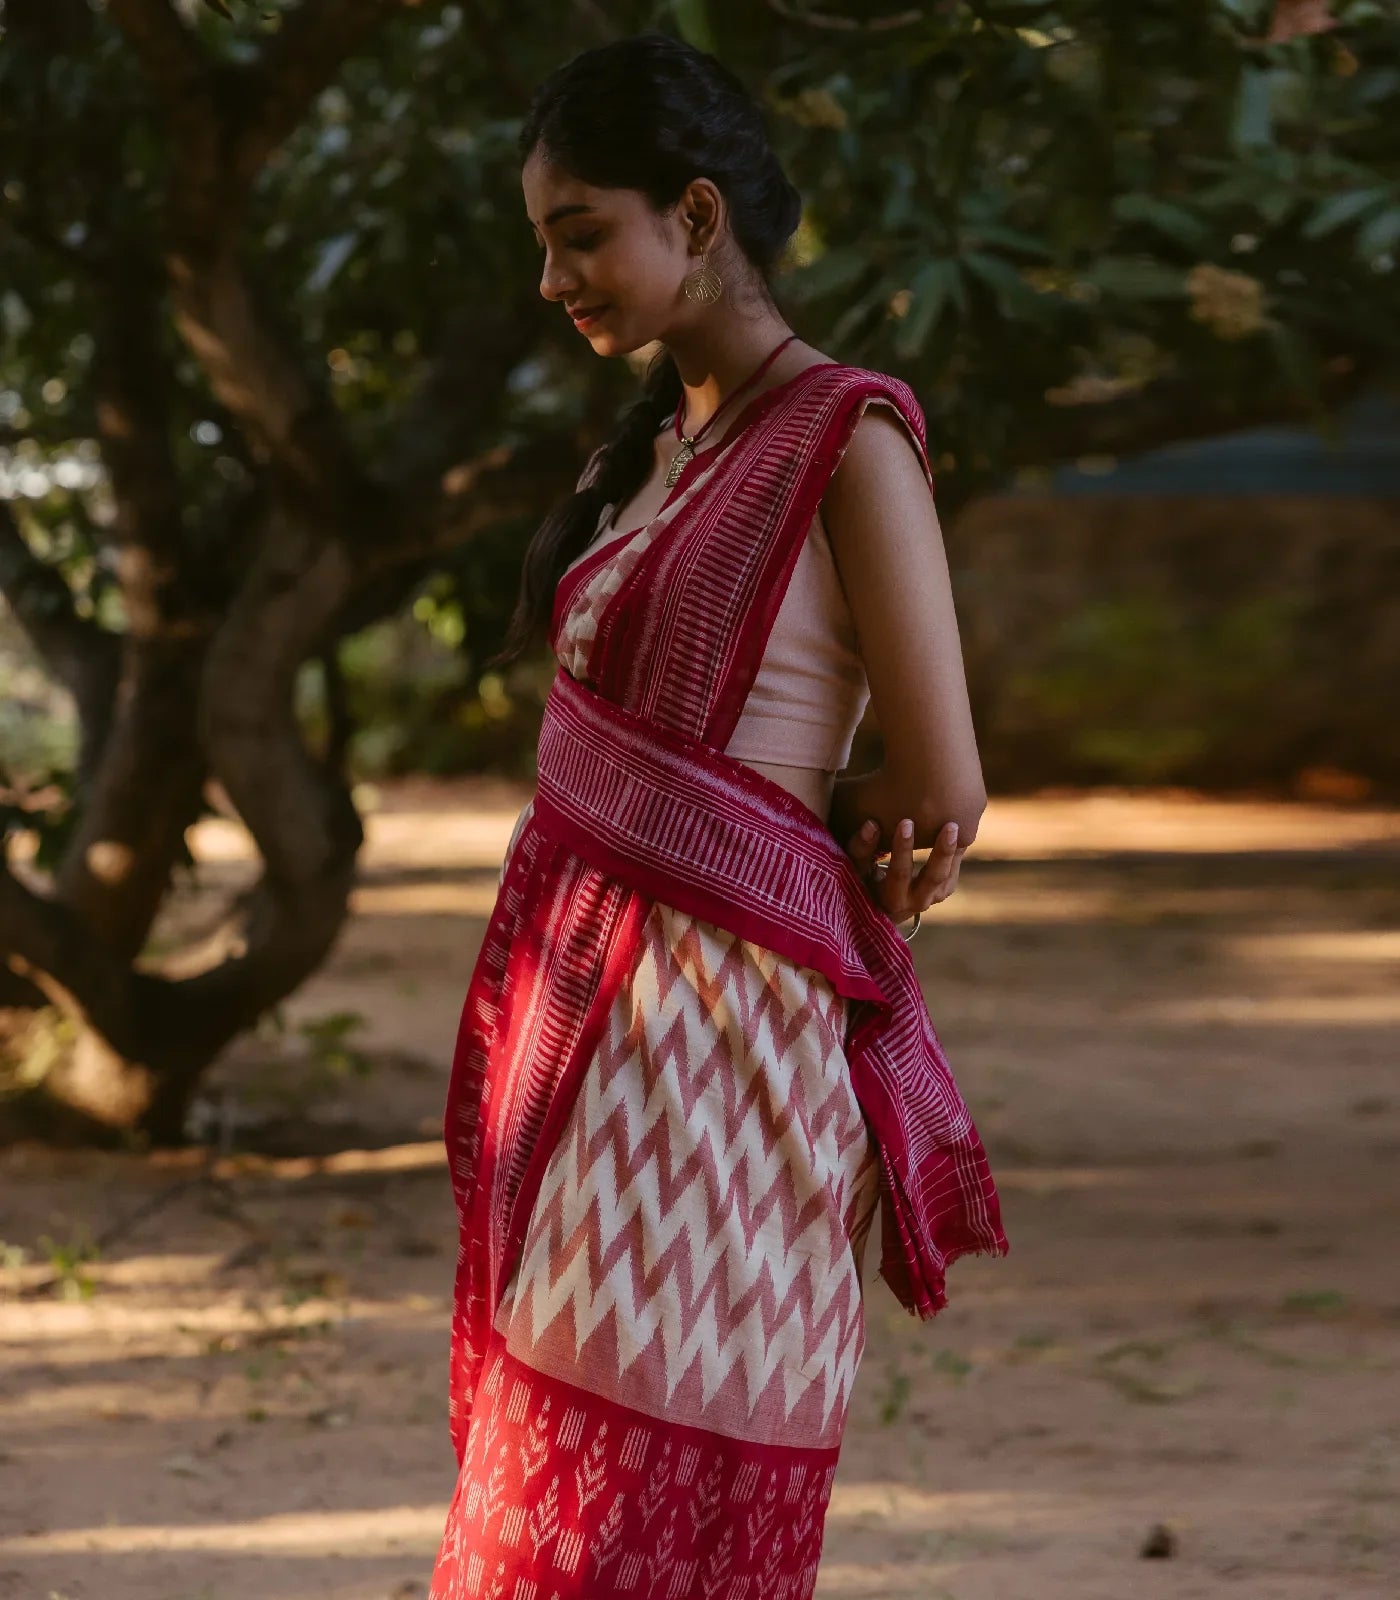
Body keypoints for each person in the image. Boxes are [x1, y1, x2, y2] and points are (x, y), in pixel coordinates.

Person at [428, 32, 1007, 1600]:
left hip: (714, 1063)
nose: (557, 283)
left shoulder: (847, 437)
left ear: (696, 215)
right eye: (542, 247)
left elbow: (940, 778)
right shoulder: (662, 451)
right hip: (593, 1027)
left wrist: (844, 842)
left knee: (641, 1502)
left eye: (578, 238)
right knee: (545, 1503)